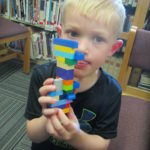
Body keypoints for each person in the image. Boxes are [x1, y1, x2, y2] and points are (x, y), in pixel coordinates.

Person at [24, 0, 126, 149]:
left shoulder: (112, 92)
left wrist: (76, 137)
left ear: (113, 48)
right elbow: (33, 134)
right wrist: (48, 118)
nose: (81, 48)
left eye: (98, 39)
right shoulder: (42, 75)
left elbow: (102, 145)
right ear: (59, 35)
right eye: (73, 33)